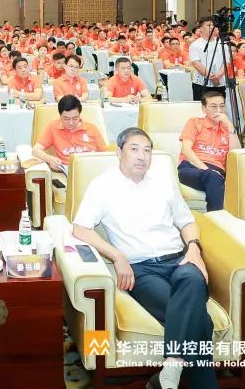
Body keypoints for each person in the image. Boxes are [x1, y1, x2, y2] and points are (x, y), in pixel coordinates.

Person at [73, 127, 215, 389]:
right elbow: (80, 229)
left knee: (193, 279)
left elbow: (187, 222)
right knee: (201, 321)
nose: (142, 156)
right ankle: (173, 380)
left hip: (179, 260)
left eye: (147, 150)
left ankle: (171, 368)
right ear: (119, 152)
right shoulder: (103, 186)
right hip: (142, 270)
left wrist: (194, 249)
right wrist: (117, 256)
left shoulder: (164, 182)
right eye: (134, 149)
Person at [178, 92, 239, 211]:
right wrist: (206, 170)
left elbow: (236, 154)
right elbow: (186, 150)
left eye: (222, 106)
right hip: (191, 167)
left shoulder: (227, 129)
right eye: (214, 106)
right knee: (213, 177)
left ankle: (216, 217)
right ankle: (217, 218)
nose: (219, 110)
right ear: (204, 108)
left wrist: (230, 127)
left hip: (217, 172)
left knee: (218, 178)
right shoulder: (194, 122)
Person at [31, 95, 106, 174]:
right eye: (66, 119)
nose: (71, 123)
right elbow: (35, 150)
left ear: (79, 114)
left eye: (75, 118)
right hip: (69, 170)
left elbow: (106, 154)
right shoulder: (53, 127)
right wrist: (50, 159)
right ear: (60, 115)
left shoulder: (91, 128)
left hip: (92, 168)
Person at [188, 18, 230, 101]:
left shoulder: (222, 43)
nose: (211, 27)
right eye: (208, 25)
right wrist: (212, 77)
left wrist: (218, 76)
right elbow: (196, 63)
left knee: (219, 106)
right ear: (200, 28)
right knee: (202, 107)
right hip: (201, 83)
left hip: (220, 82)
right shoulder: (195, 44)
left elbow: (226, 62)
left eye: (213, 25)